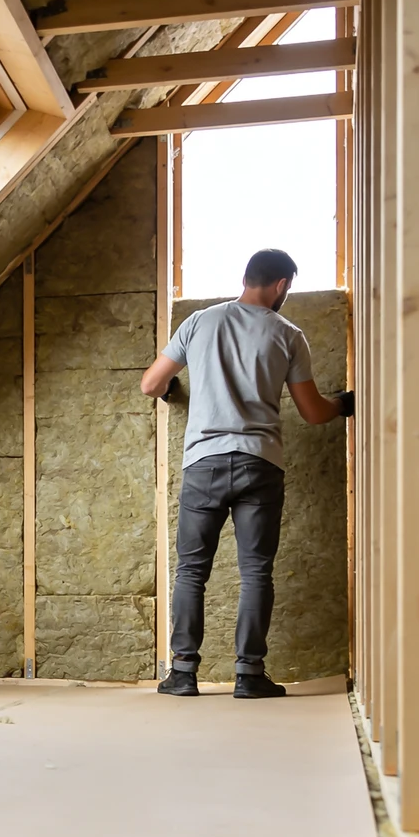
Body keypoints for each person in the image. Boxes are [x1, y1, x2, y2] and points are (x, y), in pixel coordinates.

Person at [139, 248, 354, 700]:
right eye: (287, 288)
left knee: (191, 571)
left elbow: (151, 384)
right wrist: (343, 404)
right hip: (260, 461)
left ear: (247, 278)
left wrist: (174, 389)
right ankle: (250, 675)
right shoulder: (289, 334)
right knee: (256, 572)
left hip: (204, 461)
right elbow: (313, 413)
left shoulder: (199, 322)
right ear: (280, 285)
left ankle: (182, 674)